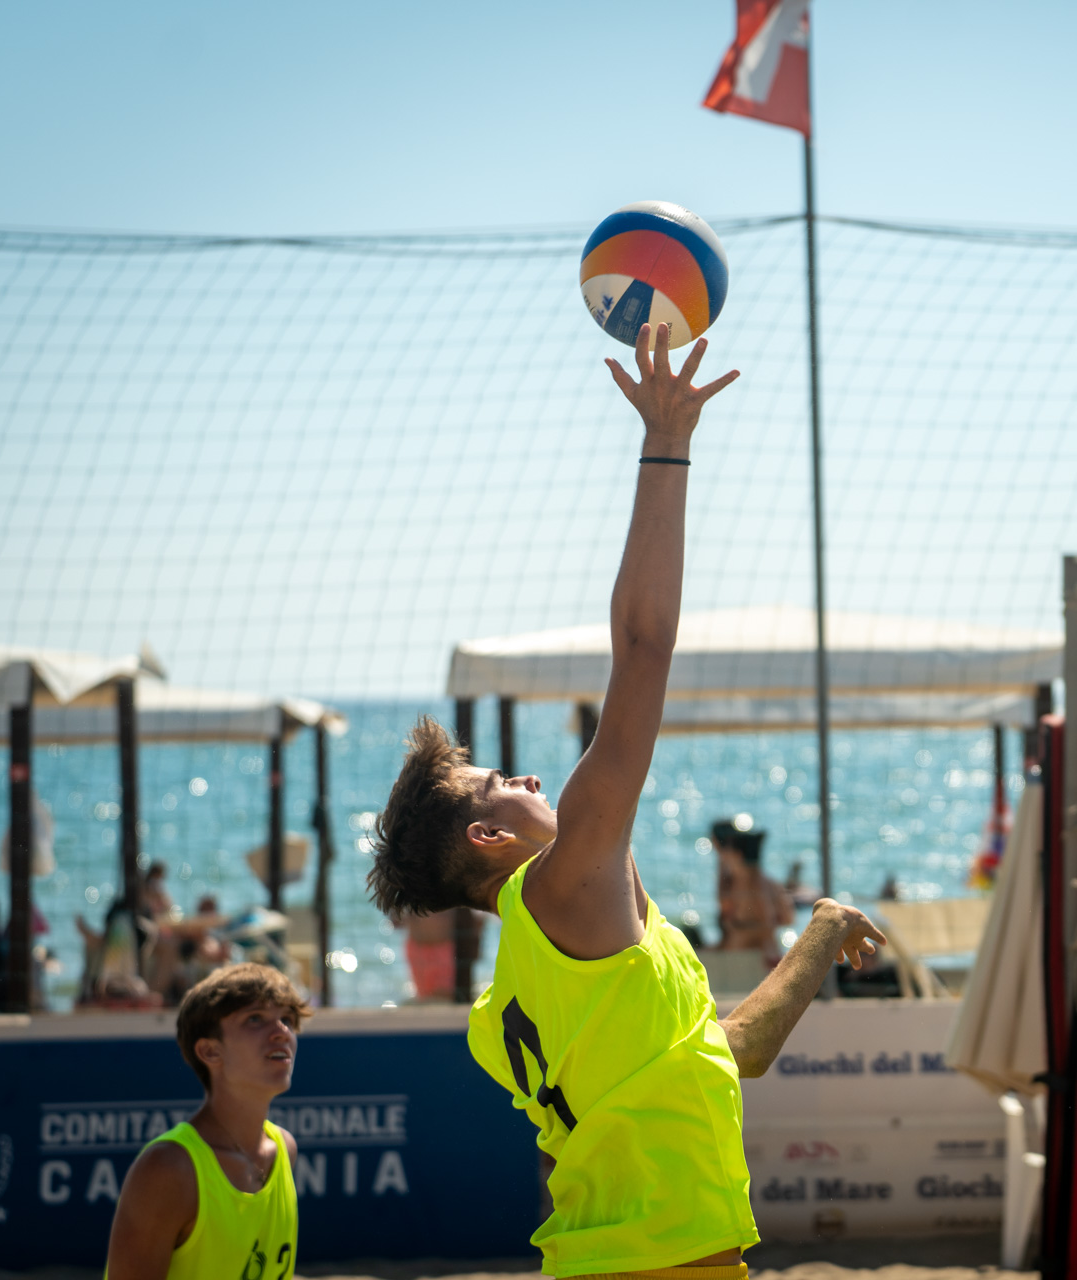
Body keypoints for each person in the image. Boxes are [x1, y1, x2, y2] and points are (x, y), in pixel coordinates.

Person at [367, 322, 886, 1277]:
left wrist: (819, 932)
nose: (524, 778)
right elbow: (644, 645)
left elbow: (729, 1054)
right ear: (486, 835)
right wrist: (667, 442)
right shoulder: (567, 882)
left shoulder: (507, 1010)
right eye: (499, 783)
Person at [104, 962, 305, 1280]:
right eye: (256, 1019)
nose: (282, 1031)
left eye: (288, 1020)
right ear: (210, 1051)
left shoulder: (284, 1150)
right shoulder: (169, 1168)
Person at [713, 821, 794, 956]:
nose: (724, 857)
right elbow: (788, 919)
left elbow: (724, 908)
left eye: (726, 852)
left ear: (738, 855)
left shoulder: (738, 884)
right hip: (771, 954)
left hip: (744, 958)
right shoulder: (771, 883)